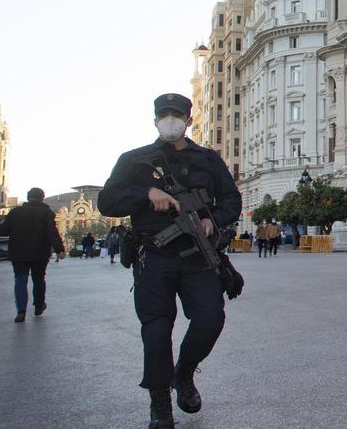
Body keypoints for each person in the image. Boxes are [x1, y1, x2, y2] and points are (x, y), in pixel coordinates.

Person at [98, 93, 241, 428]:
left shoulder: (207, 158)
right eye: (165, 115)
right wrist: (146, 193)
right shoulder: (134, 160)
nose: (171, 120)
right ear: (155, 121)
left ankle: (184, 375)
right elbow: (107, 201)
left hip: (199, 256)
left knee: (210, 319)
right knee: (157, 333)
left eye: (177, 115)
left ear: (189, 120)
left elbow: (231, 198)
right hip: (155, 257)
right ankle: (160, 403)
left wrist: (214, 220)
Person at [0, 188, 66, 322]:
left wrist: (4, 222)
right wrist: (59, 249)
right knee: (39, 278)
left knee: (20, 280)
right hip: (40, 252)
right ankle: (39, 305)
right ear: (42, 198)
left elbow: (2, 230)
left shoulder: (15, 212)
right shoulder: (46, 213)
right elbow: (52, 232)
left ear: (28, 197)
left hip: (19, 253)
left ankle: (21, 311)